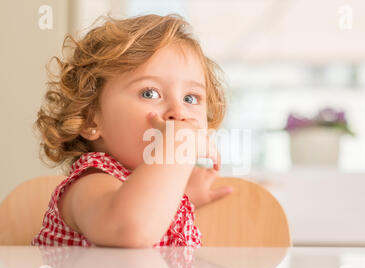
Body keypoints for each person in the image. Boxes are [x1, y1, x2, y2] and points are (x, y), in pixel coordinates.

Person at [31, 13, 232, 248]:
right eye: (149, 93)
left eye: (190, 97)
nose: (179, 112)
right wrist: (177, 146)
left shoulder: (153, 196)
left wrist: (181, 199)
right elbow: (131, 229)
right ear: (90, 120)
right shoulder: (90, 183)